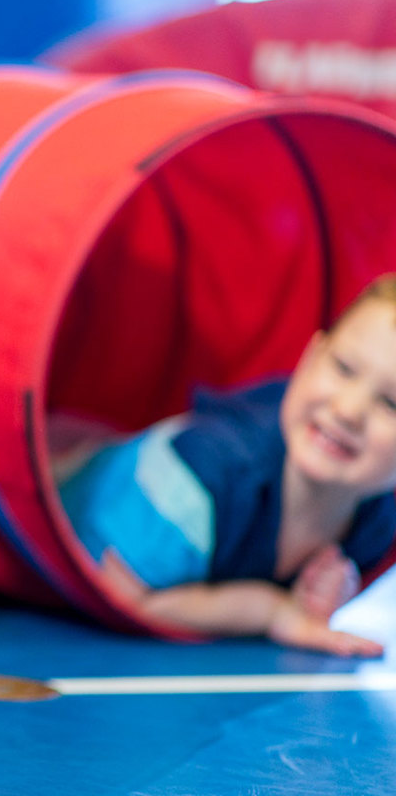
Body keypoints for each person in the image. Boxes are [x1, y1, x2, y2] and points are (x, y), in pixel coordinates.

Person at [53, 274, 396, 658]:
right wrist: (270, 611)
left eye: (391, 405)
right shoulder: (195, 489)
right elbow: (129, 596)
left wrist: (318, 597)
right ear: (310, 358)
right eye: (344, 369)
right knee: (66, 457)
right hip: (75, 492)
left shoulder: (377, 519)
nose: (348, 411)